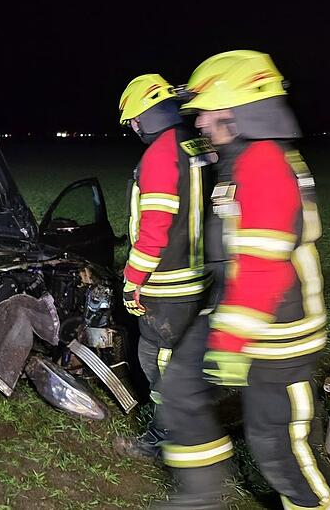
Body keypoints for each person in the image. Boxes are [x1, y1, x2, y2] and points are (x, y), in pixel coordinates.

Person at [157, 51, 330, 509]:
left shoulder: (263, 164)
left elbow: (264, 264)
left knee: (276, 445)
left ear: (236, 109)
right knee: (179, 389)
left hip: (278, 333)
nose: (198, 123)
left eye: (205, 111)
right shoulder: (240, 161)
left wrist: (231, 342)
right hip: (237, 316)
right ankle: (200, 499)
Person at [113, 74, 215, 459]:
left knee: (157, 359)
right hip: (202, 274)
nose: (134, 128)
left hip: (169, 284)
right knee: (189, 354)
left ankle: (167, 434)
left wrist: (133, 280)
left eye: (135, 120)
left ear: (148, 114)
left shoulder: (159, 155)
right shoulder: (199, 144)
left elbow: (154, 228)